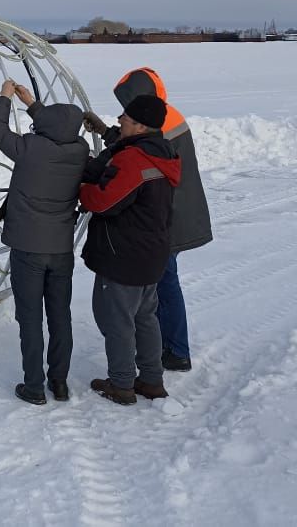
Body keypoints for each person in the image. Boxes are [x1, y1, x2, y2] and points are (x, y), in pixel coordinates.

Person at [83, 67, 212, 372]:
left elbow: (135, 157)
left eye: (127, 108)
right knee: (159, 286)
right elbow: (136, 142)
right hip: (169, 215)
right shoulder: (164, 117)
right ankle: (162, 354)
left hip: (166, 219)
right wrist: (105, 130)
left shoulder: (162, 127)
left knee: (162, 285)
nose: (123, 114)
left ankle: (174, 351)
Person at [0, 79, 89, 406]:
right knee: (60, 316)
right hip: (60, 250)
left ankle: (33, 386)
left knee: (30, 318)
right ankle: (58, 382)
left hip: (28, 250)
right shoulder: (79, 151)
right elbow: (59, 128)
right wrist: (32, 104)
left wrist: (5, 97)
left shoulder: (29, 149)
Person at [80, 94, 181, 404]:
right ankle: (151, 380)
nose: (120, 119)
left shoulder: (134, 160)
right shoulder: (161, 152)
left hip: (124, 255)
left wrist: (82, 187)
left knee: (117, 319)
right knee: (145, 317)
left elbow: (102, 201)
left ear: (139, 125)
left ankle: (121, 384)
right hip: (151, 253)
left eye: (125, 116)